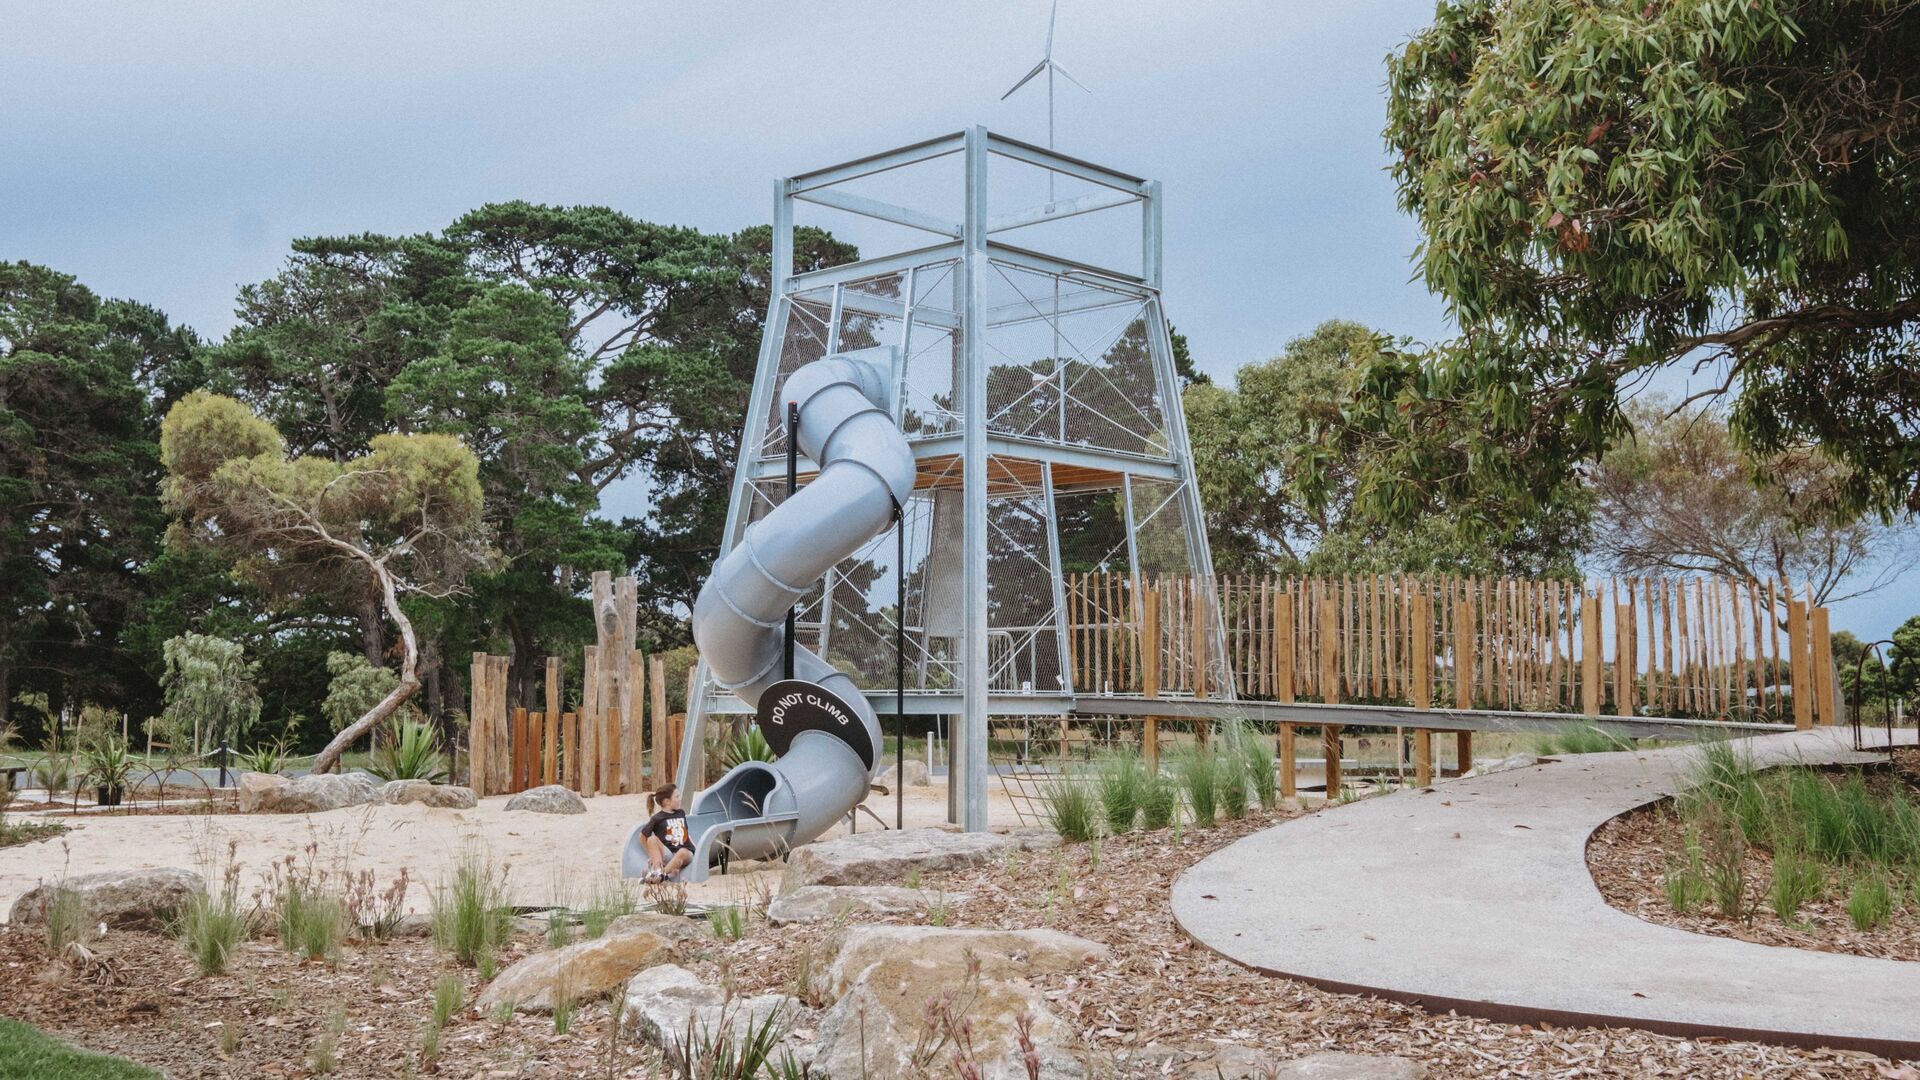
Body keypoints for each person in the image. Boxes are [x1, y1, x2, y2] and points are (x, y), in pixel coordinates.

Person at [639, 782, 694, 882]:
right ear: (667, 801)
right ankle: (657, 871)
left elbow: (686, 833)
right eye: (677, 797)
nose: (680, 799)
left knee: (682, 851)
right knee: (652, 839)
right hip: (668, 854)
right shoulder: (657, 818)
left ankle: (661, 875)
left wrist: (696, 847)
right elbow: (642, 837)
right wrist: (652, 855)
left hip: (685, 854)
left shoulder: (681, 813)